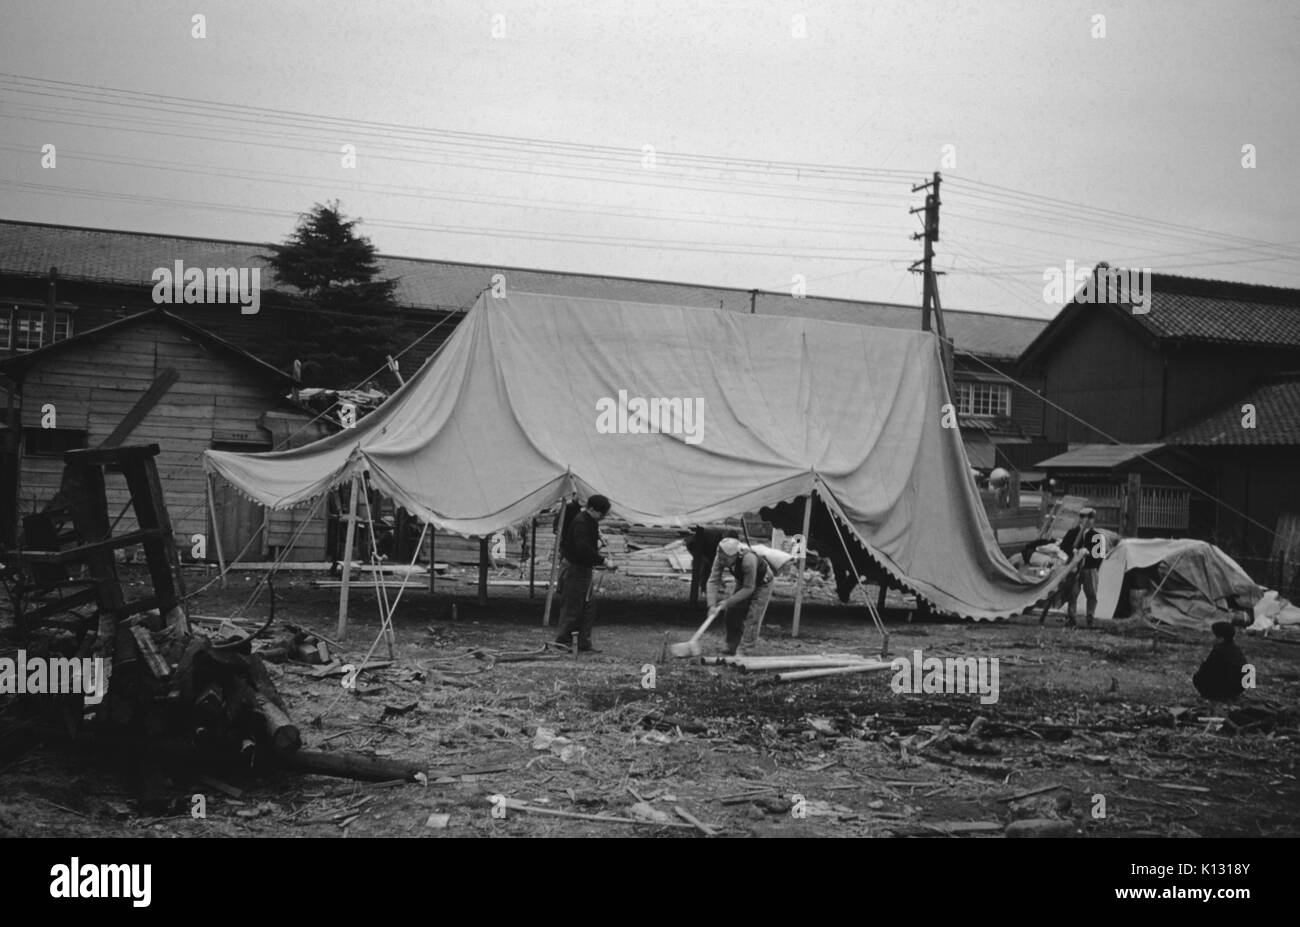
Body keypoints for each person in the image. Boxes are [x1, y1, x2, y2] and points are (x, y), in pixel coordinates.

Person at [553, 494, 612, 653]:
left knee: (588, 607)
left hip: (584, 570)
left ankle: (583, 643)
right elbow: (583, 549)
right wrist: (603, 561)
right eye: (601, 514)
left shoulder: (591, 521)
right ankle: (562, 642)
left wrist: (599, 538)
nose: (602, 517)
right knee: (572, 607)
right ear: (592, 509)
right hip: (575, 569)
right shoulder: (581, 522)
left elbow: (589, 543)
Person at [706, 538, 782, 655]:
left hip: (763, 583)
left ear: (734, 555)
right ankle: (731, 644)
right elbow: (713, 581)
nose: (721, 561)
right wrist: (711, 605)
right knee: (732, 611)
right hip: (744, 582)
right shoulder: (721, 557)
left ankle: (747, 649)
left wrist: (727, 601)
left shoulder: (748, 560)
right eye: (720, 557)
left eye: (725, 559)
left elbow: (749, 588)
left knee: (753, 616)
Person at [1059, 507, 1105, 627]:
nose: (1086, 520)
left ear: (1093, 520)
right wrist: (1074, 551)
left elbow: (1099, 555)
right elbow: (1063, 546)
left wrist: (1088, 554)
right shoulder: (1072, 533)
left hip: (1090, 568)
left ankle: (1090, 619)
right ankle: (1072, 618)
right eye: (1083, 517)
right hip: (1074, 567)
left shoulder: (1097, 536)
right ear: (1080, 518)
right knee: (1072, 593)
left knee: (1092, 594)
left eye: (1090, 518)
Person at [1193, 621, 1248, 701]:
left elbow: (1205, 671)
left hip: (1230, 686)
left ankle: (1214, 696)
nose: (1209, 637)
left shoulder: (1219, 651)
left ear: (1221, 639)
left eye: (1212, 635)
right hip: (1241, 686)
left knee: (1197, 678)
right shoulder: (1234, 648)